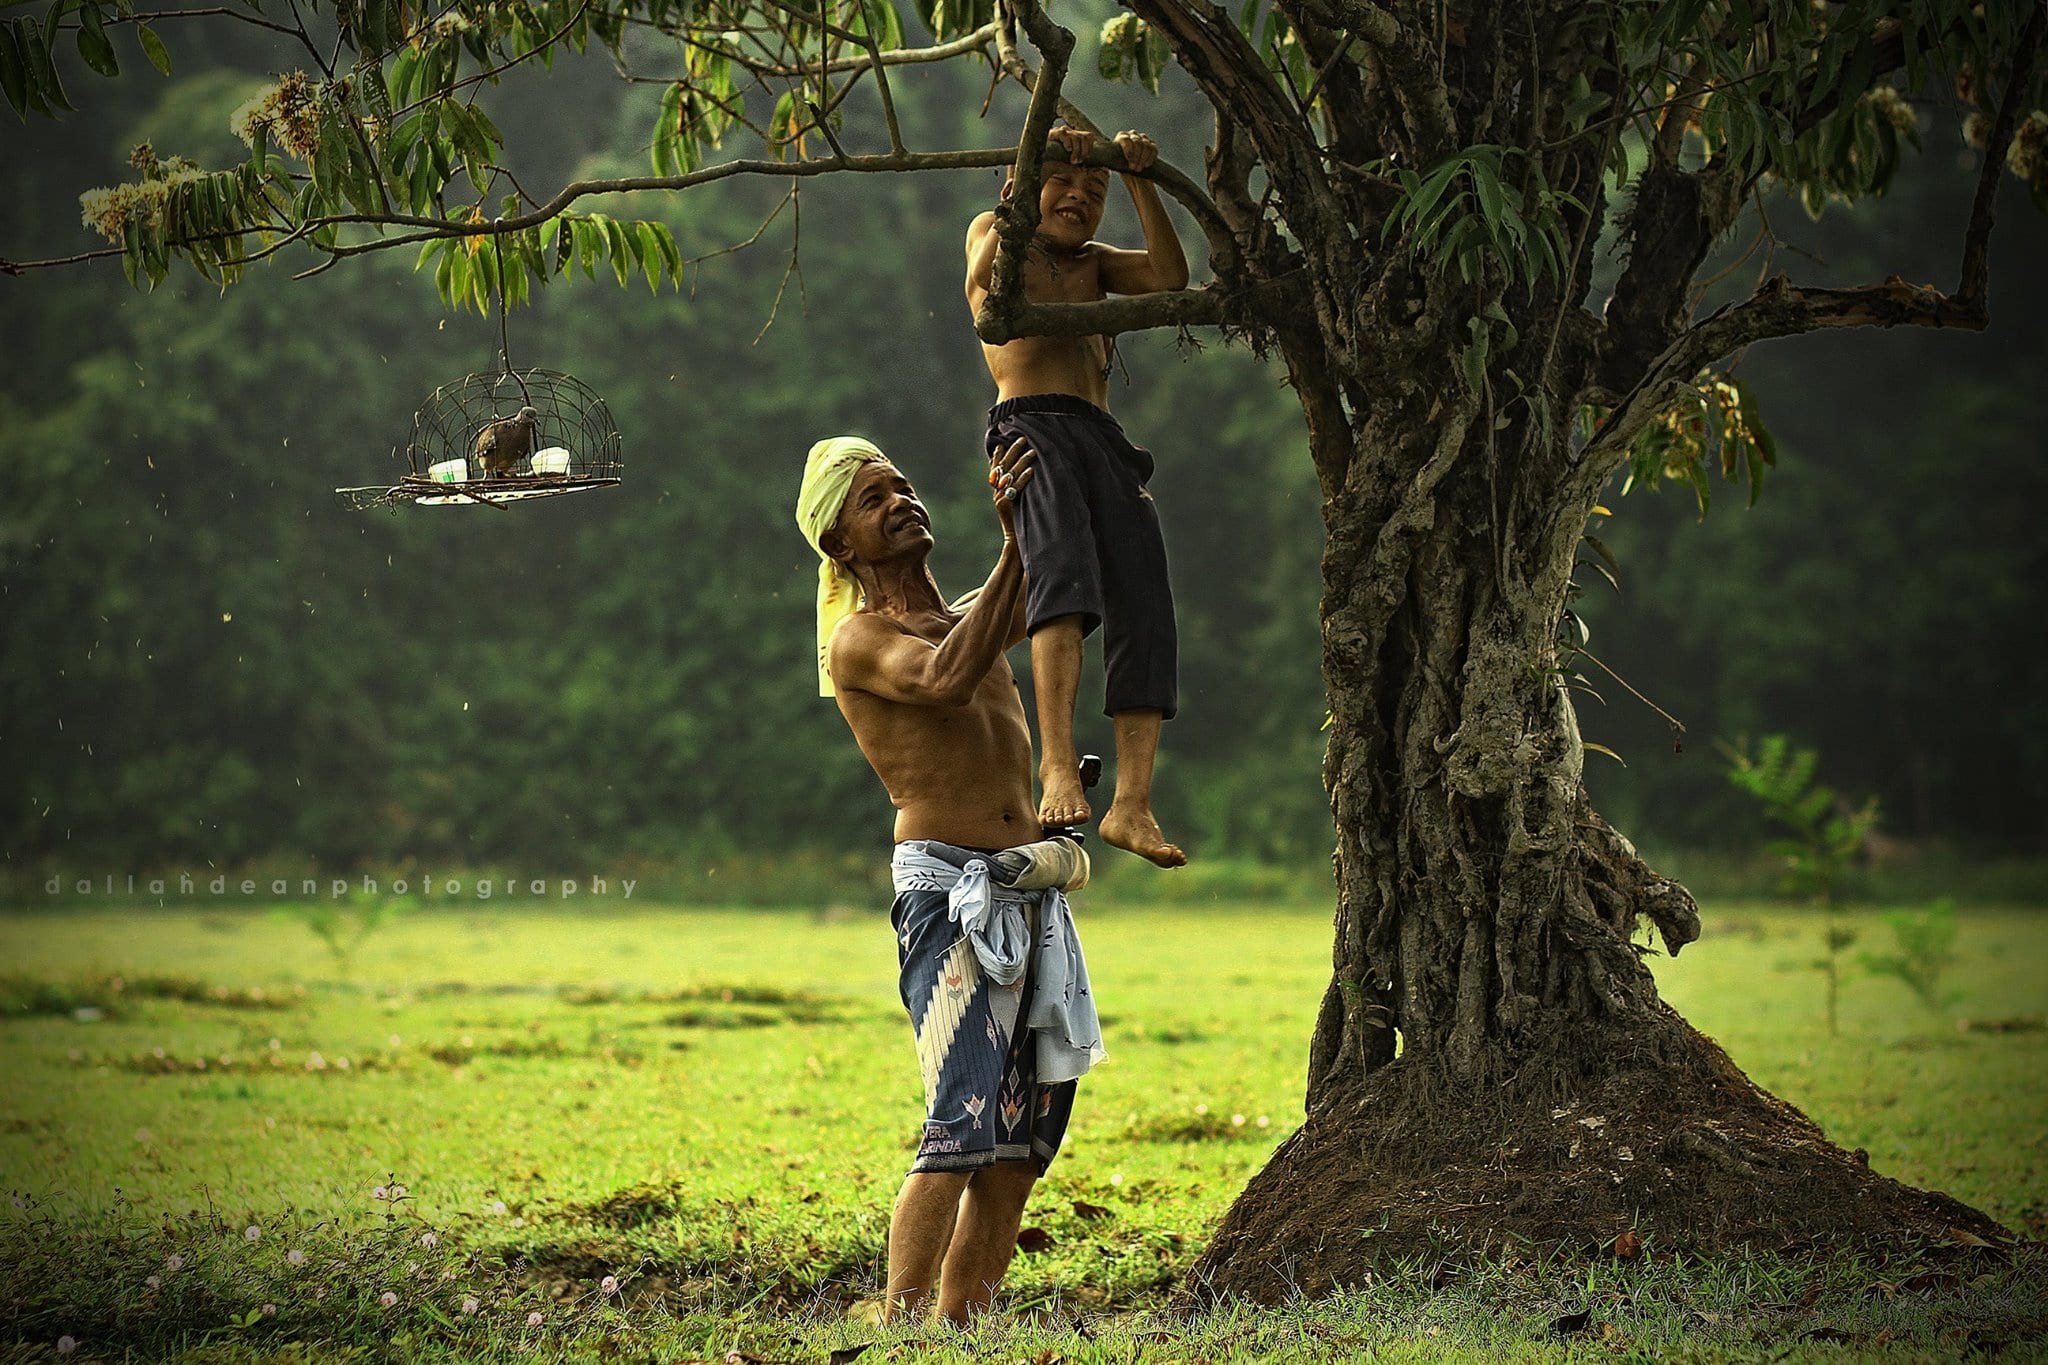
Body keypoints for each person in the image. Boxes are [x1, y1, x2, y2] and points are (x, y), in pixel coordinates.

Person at [795, 435, 1106, 1324]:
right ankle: (895, 1327)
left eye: (903, 482)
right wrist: (1017, 542)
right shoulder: (861, 642)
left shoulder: (968, 613)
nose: (900, 499)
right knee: (963, 1123)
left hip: (1029, 889)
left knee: (1022, 1148)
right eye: (872, 497)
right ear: (842, 546)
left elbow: (1051, 587)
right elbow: (943, 676)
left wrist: (1074, 486)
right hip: (947, 898)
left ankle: (958, 1328)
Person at [964, 122, 1191, 869]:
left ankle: (1133, 802)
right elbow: (984, 277)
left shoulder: (1097, 265)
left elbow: (1167, 277)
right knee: (1061, 579)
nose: (1077, 200)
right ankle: (1057, 762)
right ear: (1022, 187)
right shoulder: (1000, 240)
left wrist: (1138, 180)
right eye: (1063, 183)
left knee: (1147, 602)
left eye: (1092, 193)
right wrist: (1025, 188)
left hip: (1102, 435)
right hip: (1031, 428)